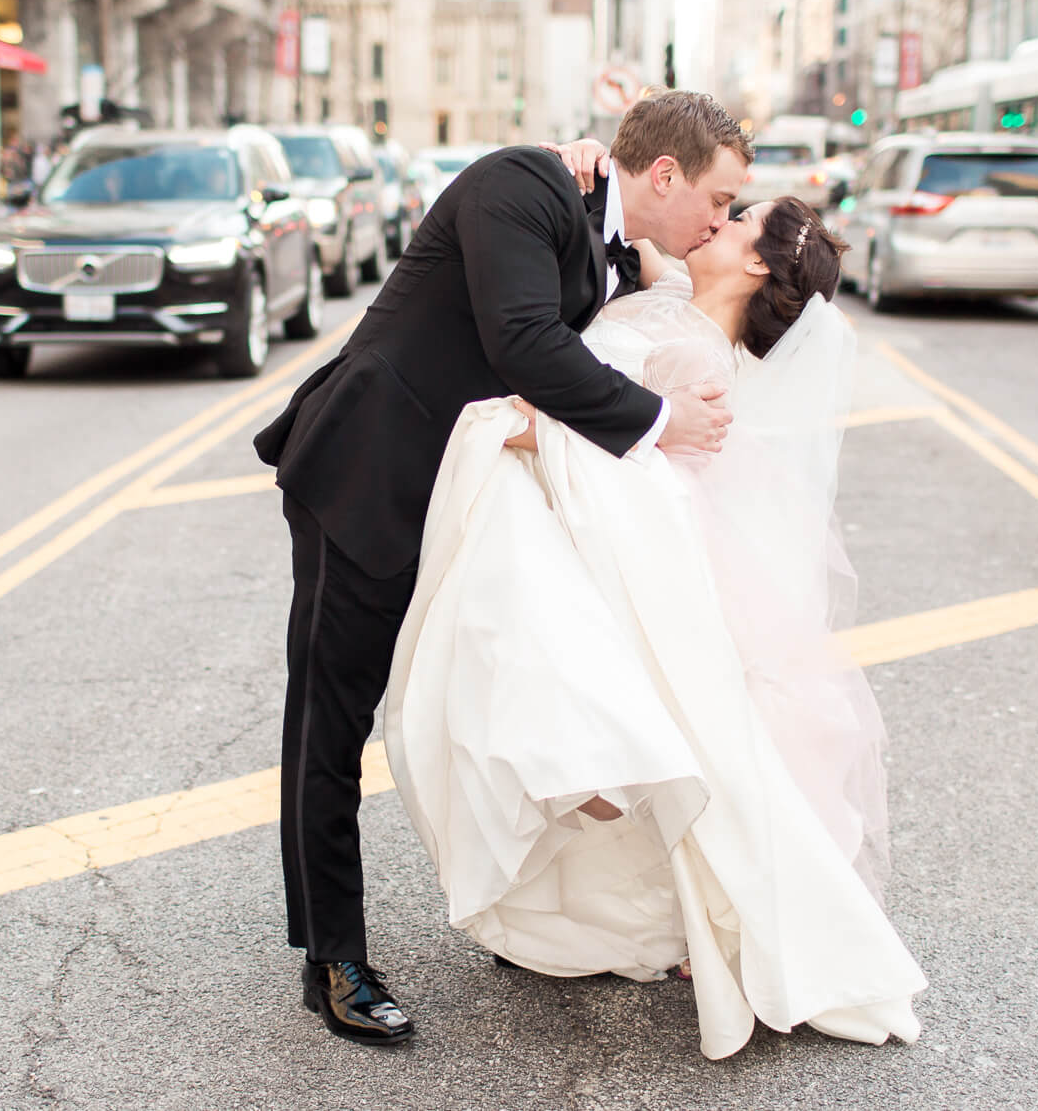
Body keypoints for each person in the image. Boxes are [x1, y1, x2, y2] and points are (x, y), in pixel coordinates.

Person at [252, 90, 747, 1046]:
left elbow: (596, 305)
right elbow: (525, 339)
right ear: (666, 174)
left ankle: (525, 922)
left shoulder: (616, 235)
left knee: (507, 714)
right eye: (718, 200)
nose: (720, 222)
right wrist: (658, 423)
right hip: (373, 470)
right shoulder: (521, 184)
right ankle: (334, 957)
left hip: (471, 505)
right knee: (330, 713)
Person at [385, 188, 927, 1060]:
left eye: (739, 218)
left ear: (756, 263)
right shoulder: (670, 300)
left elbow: (615, 455)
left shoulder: (694, 361)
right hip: (591, 550)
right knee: (587, 727)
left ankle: (653, 898)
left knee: (573, 723)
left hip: (606, 552)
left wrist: (501, 426)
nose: (719, 221)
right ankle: (622, 900)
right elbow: (635, 220)